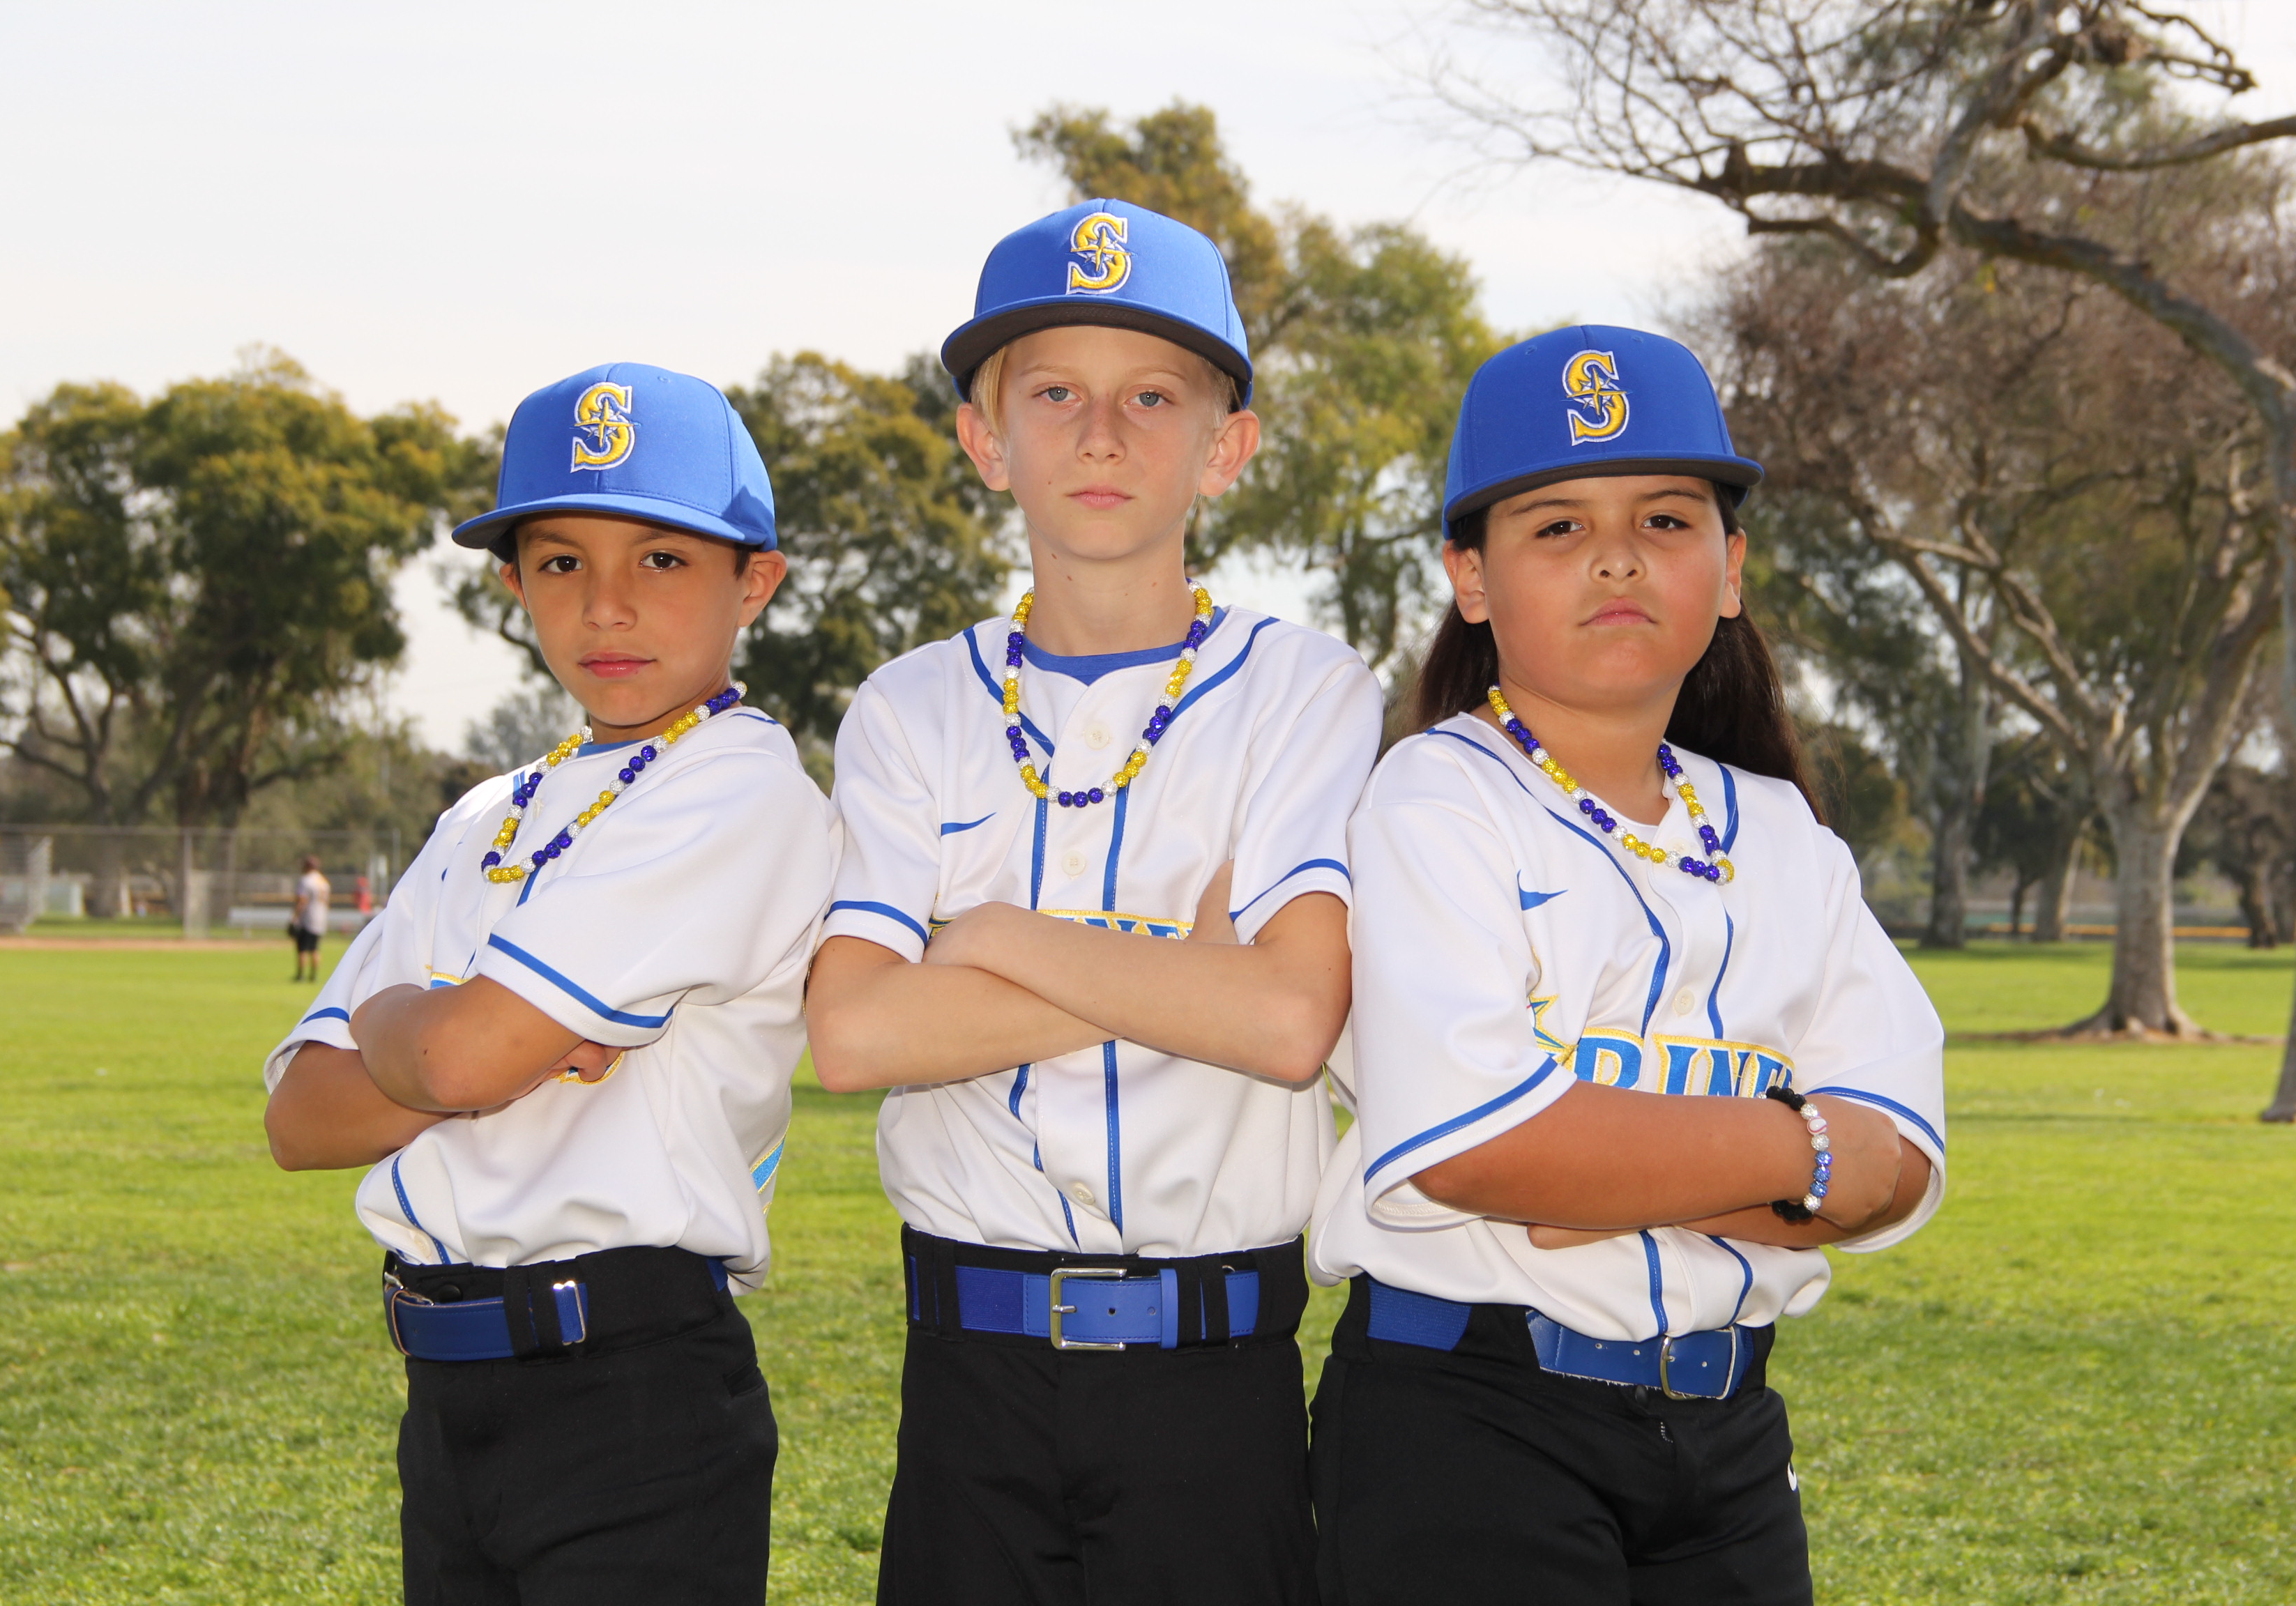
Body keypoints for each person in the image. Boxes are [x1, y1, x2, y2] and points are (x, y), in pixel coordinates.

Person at [1307, 325, 1947, 1606]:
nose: (1617, 557)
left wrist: (1605, 1168)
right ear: (1470, 577)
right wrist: (1800, 1149)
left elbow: (1904, 1166)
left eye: (1665, 518)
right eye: (1557, 526)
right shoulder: (1434, 797)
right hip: (1470, 1421)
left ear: (1730, 569)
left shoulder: (1782, 831)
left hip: (1728, 1438)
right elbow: (1484, 1148)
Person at [807, 199, 1384, 1606]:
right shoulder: (909, 705)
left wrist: (994, 940)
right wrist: (1183, 976)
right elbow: (855, 1037)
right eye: (1054, 393)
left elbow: (1288, 1020)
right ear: (985, 438)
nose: (1103, 435)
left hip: (1215, 1369)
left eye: (1153, 397)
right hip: (971, 1370)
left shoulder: (1305, 689)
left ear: (1226, 447)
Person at [259, 364, 837, 1606]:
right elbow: (302, 1118)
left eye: (663, 559)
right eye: (562, 561)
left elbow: (459, 1058)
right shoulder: (485, 812)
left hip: (633, 1393)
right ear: (514, 584)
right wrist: (462, 1040)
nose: (607, 605)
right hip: (446, 1392)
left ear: (756, 580)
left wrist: (412, 1027)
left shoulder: (741, 786)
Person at [290, 855, 330, 981]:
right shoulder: (323, 882)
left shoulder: (306, 880)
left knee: (302, 948)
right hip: (321, 918)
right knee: (315, 948)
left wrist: (295, 917)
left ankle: (301, 975)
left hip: (307, 918)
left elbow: (302, 901)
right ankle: (314, 975)